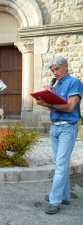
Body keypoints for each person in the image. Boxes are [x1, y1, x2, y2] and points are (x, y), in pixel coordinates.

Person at [35, 56, 83, 214]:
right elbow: (55, 107)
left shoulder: (74, 83)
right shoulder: (56, 85)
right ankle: (65, 195)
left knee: (61, 166)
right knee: (59, 164)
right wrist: (48, 95)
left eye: (57, 69)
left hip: (67, 128)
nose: (55, 72)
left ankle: (55, 200)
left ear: (66, 67)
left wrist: (48, 103)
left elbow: (70, 108)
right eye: (52, 70)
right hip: (55, 127)